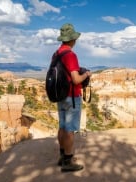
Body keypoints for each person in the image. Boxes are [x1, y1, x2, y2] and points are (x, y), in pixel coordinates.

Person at [55, 23, 91, 172]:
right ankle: (68, 162)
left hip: (61, 95)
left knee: (62, 126)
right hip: (71, 96)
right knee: (70, 130)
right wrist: (87, 75)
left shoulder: (57, 53)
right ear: (72, 40)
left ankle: (62, 156)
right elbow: (76, 79)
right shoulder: (70, 55)